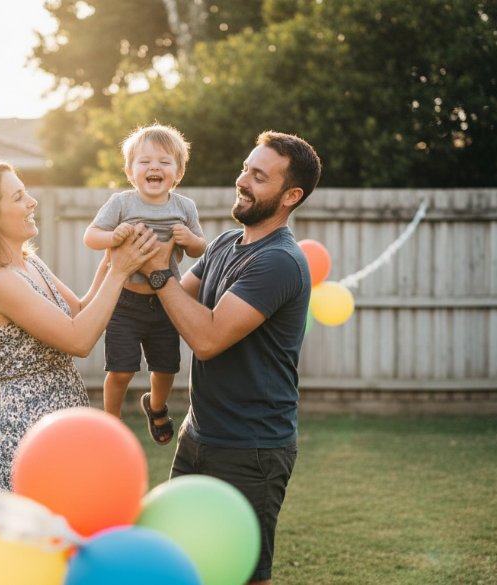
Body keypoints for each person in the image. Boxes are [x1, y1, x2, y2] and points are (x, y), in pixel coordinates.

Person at [140, 131, 322, 584]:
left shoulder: (279, 261)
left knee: (243, 573)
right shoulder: (223, 244)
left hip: (253, 449)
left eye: (258, 177)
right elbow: (167, 307)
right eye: (245, 168)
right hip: (198, 435)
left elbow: (208, 337)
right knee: (178, 559)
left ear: (290, 195)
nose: (242, 180)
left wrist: (158, 269)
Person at [0, 162, 156, 491]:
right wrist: (120, 272)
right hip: (30, 424)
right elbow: (78, 339)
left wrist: (112, 258)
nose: (32, 202)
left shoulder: (29, 262)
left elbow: (79, 310)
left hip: (65, 412)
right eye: (18, 197)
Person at [83, 124, 206, 445]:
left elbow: (198, 249)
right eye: (145, 161)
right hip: (125, 302)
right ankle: (111, 421)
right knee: (121, 370)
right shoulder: (121, 204)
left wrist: (189, 238)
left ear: (177, 173)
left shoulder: (184, 208)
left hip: (166, 303)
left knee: (166, 368)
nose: (154, 167)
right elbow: (91, 237)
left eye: (165, 162)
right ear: (130, 171)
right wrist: (114, 236)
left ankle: (156, 406)